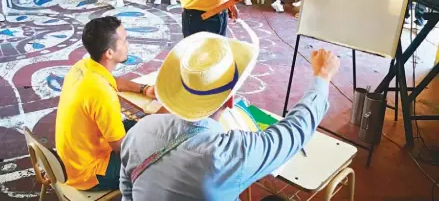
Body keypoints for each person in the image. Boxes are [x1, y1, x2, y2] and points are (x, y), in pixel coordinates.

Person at [119, 32, 340, 201]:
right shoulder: (229, 152)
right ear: (231, 101)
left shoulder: (139, 130)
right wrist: (323, 76)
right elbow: (295, 130)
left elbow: (127, 190)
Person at [55, 16, 157, 191]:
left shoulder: (83, 66)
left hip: (73, 157)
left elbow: (113, 80)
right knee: (159, 163)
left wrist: (145, 89)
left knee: (145, 125)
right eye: (124, 41)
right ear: (109, 53)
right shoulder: (102, 94)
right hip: (88, 172)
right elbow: (121, 148)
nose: (128, 45)